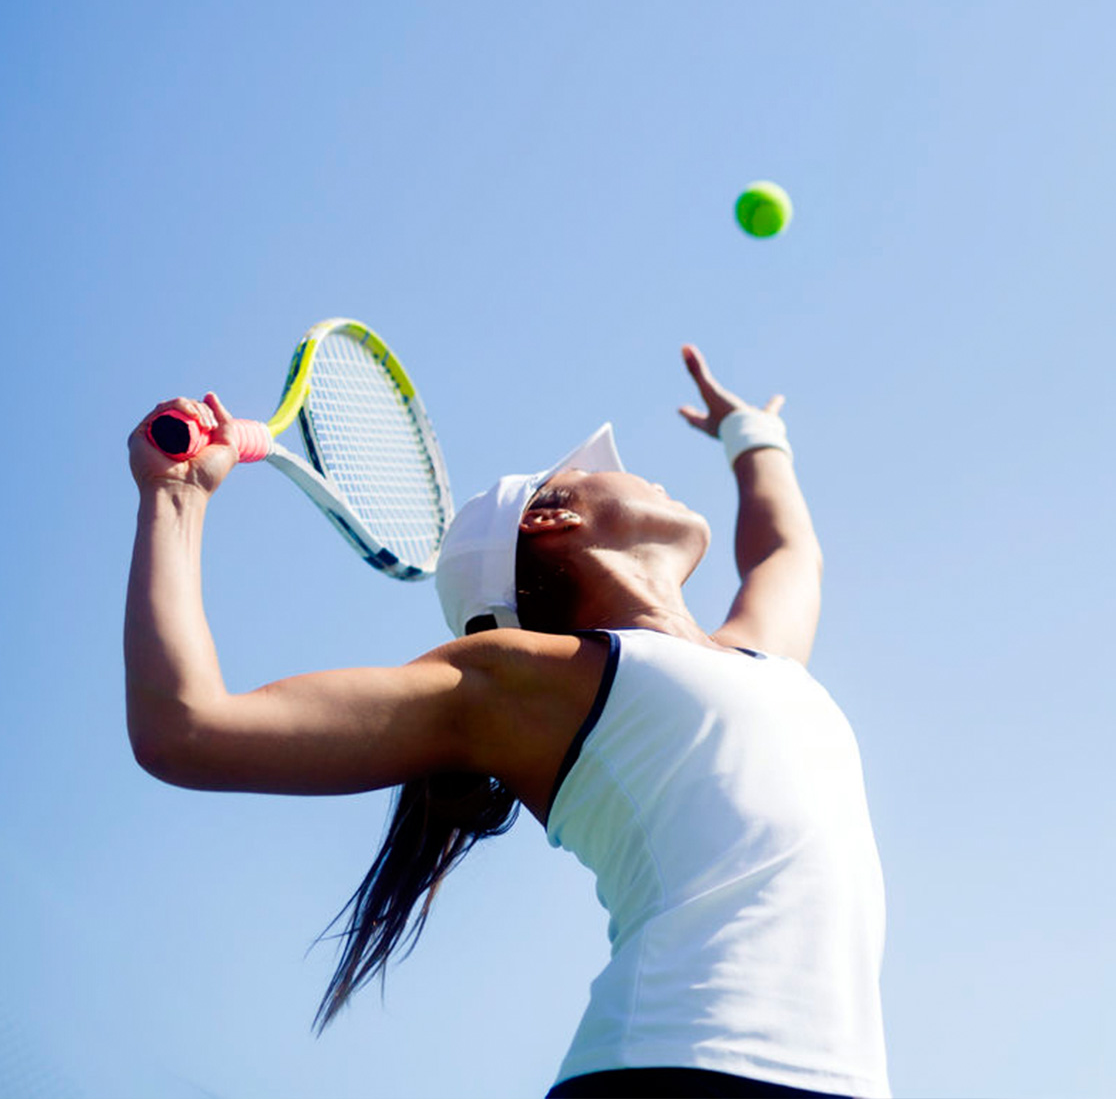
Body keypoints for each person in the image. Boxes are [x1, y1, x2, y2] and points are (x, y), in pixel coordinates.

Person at [125, 345, 889, 1099]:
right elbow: (187, 728)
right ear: (554, 518)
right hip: (678, 1065)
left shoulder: (757, 662)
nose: (638, 469)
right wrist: (177, 496)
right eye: (594, 469)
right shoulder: (526, 680)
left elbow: (788, 554)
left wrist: (753, 436)